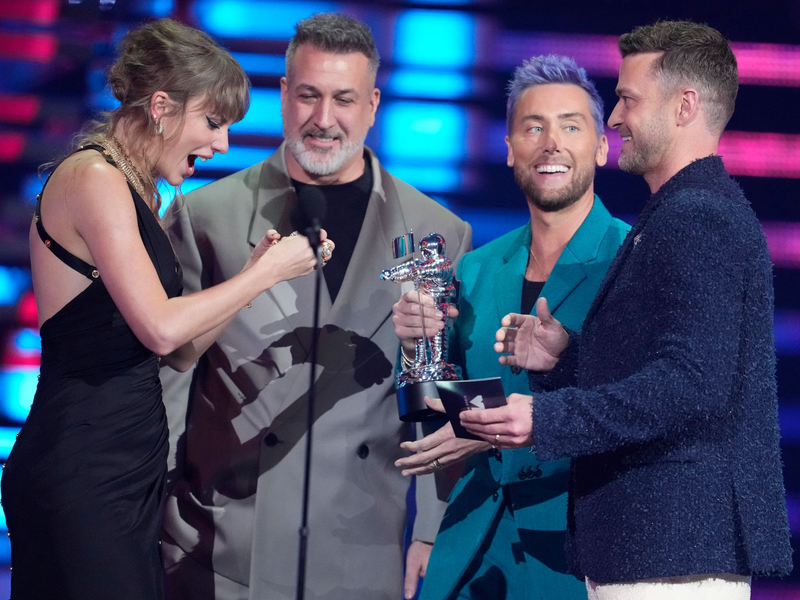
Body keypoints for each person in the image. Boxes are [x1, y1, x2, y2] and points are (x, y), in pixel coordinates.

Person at [462, 21, 793, 599]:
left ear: (684, 105)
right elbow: (672, 367)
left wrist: (547, 418)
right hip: (655, 548)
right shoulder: (676, 214)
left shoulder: (697, 218)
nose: (614, 119)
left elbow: (691, 383)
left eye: (628, 99)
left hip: (672, 551)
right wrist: (567, 357)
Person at [1, 18, 327, 600]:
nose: (222, 144)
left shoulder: (142, 190)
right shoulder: (94, 177)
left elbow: (179, 352)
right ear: (160, 107)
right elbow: (158, 327)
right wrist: (266, 273)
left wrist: (255, 278)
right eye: (212, 122)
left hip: (127, 470)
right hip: (83, 467)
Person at [159, 12, 471, 600]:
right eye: (308, 95)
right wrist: (152, 523)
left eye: (343, 99)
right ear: (282, 96)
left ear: (374, 103)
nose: (323, 120)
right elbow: (168, 385)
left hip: (360, 547)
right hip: (222, 552)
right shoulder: (208, 218)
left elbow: (438, 395)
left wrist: (431, 531)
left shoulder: (437, 234)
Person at [393, 55, 629, 600]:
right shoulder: (474, 268)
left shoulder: (631, 259)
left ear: (600, 147)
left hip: (578, 556)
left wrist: (488, 436)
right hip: (472, 547)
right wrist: (413, 348)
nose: (551, 142)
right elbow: (432, 410)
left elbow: (640, 409)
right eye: (533, 127)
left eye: (571, 126)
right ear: (508, 150)